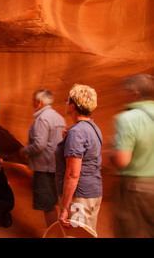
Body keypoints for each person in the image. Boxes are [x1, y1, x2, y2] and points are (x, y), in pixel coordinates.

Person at [55, 84, 103, 232]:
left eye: (67, 100)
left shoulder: (77, 132)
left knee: (76, 235)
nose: (66, 103)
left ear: (73, 106)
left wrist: (64, 208)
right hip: (92, 192)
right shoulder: (92, 127)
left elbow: (72, 174)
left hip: (79, 197)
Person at [111, 74, 154, 237]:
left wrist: (111, 155)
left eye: (125, 90)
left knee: (127, 231)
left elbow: (122, 160)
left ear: (135, 94)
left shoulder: (128, 118)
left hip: (134, 189)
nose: (121, 94)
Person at [20, 89, 66, 227]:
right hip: (56, 165)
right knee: (53, 201)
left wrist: (25, 150)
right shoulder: (59, 117)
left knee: (47, 205)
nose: (32, 103)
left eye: (33, 101)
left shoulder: (42, 118)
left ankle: (54, 235)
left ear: (39, 102)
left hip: (44, 167)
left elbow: (39, 144)